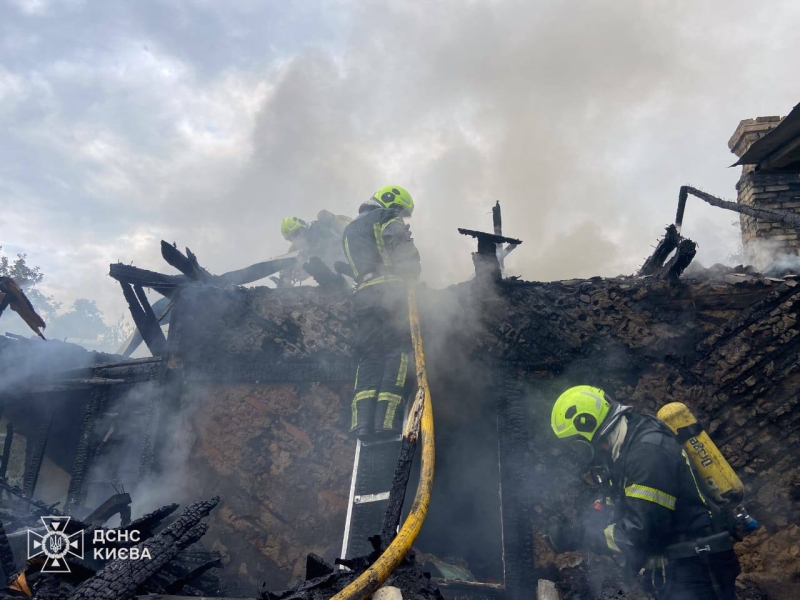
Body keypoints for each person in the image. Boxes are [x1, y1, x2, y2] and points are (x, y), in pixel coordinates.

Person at [548, 385, 741, 600]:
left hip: (701, 567)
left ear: (589, 425)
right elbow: (627, 507)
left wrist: (580, 536)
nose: (580, 455)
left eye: (577, 446)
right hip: (684, 565)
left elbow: (639, 534)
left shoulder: (647, 454)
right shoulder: (627, 445)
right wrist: (590, 520)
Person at [341, 185, 420, 438]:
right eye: (401, 211)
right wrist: (412, 271)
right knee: (397, 355)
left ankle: (361, 423)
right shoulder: (386, 217)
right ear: (393, 204)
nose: (401, 215)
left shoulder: (350, 228)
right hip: (390, 291)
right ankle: (386, 423)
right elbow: (398, 244)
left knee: (370, 357)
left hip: (363, 295)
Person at [279, 210, 352, 285]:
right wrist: (286, 275)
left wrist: (306, 272)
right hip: (338, 272)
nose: (296, 238)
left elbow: (328, 258)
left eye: (296, 233)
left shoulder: (319, 231)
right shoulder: (304, 242)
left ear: (303, 227)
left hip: (347, 266)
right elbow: (289, 257)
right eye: (291, 238)